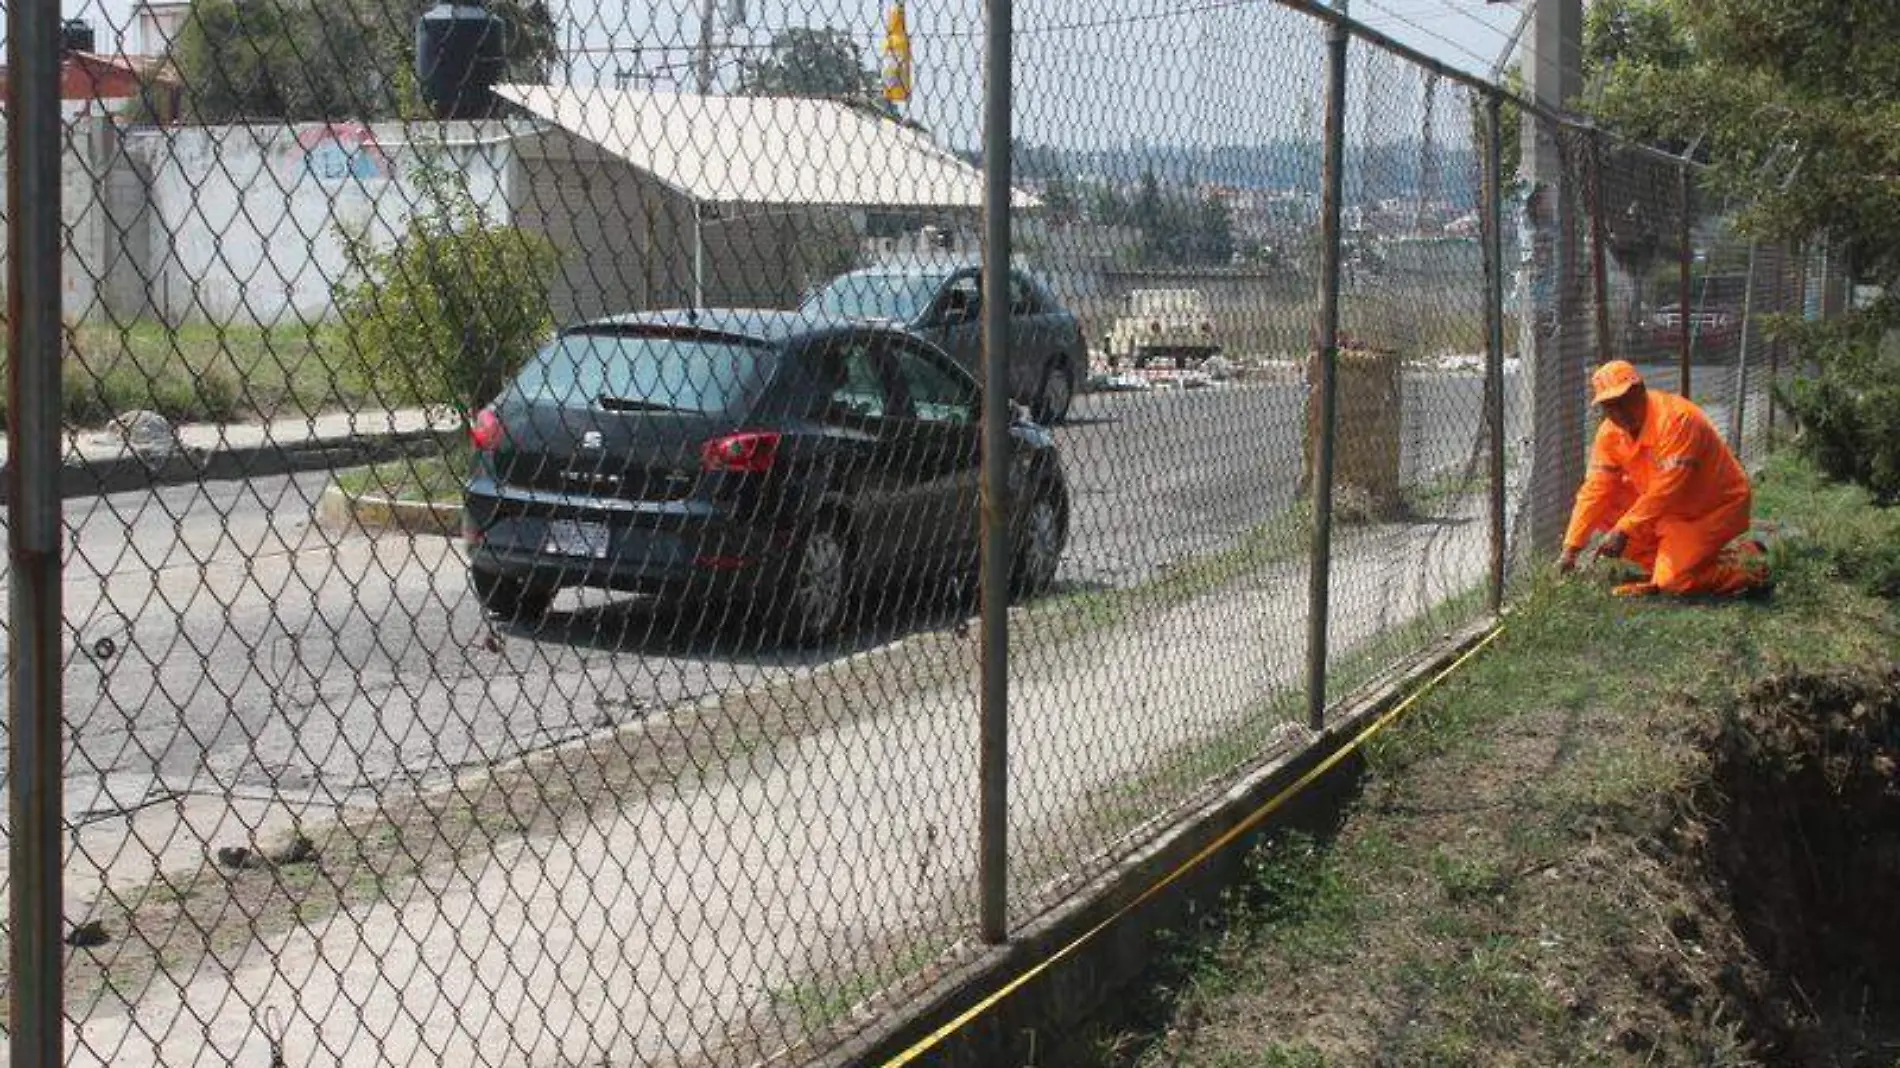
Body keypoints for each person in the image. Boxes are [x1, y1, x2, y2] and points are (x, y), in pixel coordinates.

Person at [1559, 360, 1768, 598]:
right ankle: (1674, 564)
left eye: (1624, 401)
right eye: (1610, 406)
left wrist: (1623, 530)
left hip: (1712, 508)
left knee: (1673, 584)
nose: (1620, 412)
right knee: (1604, 506)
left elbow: (1668, 489)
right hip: (1669, 511)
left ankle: (1750, 567)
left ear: (1640, 390)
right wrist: (1571, 547)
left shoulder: (1677, 420)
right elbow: (1595, 489)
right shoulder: (1609, 433)